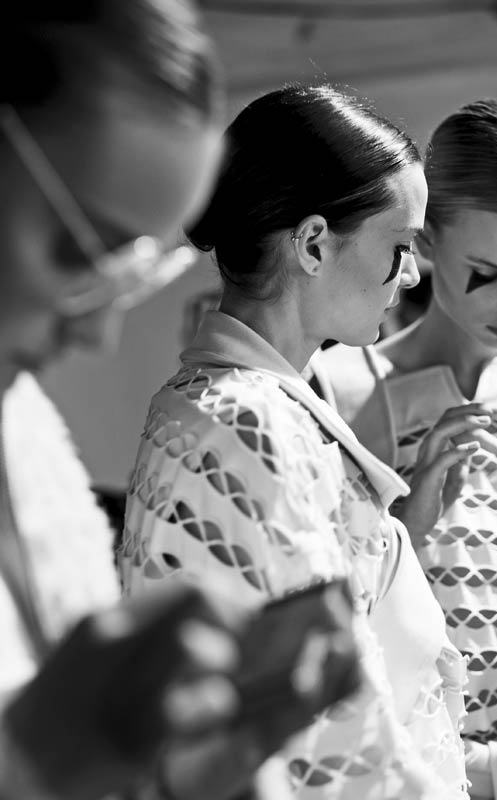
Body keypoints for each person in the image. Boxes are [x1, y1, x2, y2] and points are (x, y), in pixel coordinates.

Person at [0, 5, 336, 799]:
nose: (99, 335)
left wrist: (171, 776)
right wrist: (24, 762)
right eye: (79, 254)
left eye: (134, 275)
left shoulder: (24, 430)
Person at [121, 83, 470, 800]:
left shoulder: (237, 407)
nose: (410, 275)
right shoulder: (247, 422)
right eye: (400, 246)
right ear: (314, 243)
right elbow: (329, 736)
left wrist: (400, 536)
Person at [316, 98, 497, 799]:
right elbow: (321, 639)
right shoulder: (340, 391)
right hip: (424, 779)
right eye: (488, 273)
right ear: (426, 241)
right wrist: (398, 534)